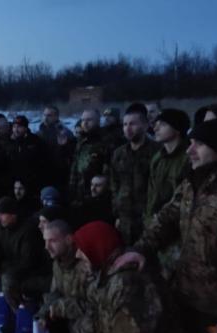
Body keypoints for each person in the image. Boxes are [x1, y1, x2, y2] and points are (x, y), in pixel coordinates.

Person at [116, 118, 217, 333]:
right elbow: (167, 217)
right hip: (185, 297)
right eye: (191, 142)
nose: (189, 149)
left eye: (199, 144)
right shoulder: (195, 181)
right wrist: (141, 249)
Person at [73, 221, 173, 333]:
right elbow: (93, 310)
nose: (77, 254)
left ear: (97, 247)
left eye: (81, 248)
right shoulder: (105, 275)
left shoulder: (126, 287)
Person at [0, 197, 52, 333]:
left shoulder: (28, 231)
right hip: (14, 269)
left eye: (2, 214)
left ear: (13, 214)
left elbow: (28, 262)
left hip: (33, 273)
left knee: (8, 281)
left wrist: (0, 275)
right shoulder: (3, 229)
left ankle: (19, 318)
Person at [37, 220, 89, 333]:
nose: (47, 246)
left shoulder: (86, 263)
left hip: (89, 322)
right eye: (45, 241)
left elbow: (94, 307)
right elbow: (55, 292)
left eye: (52, 241)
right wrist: (43, 314)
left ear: (68, 240)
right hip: (70, 317)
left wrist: (60, 307)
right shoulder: (58, 262)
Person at [110, 103, 160, 244]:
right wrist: (117, 214)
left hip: (148, 219)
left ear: (145, 125)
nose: (128, 128)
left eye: (133, 124)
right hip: (125, 220)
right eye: (125, 124)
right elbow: (114, 185)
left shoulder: (157, 152)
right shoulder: (118, 154)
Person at [145, 109, 191, 221]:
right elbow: (151, 194)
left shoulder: (189, 158)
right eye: (156, 124)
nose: (155, 128)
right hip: (155, 223)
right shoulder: (158, 158)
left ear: (177, 129)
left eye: (163, 125)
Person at [69, 109, 109, 204]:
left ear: (98, 121)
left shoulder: (106, 141)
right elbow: (75, 166)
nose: (85, 123)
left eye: (89, 120)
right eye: (83, 120)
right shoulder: (81, 141)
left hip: (96, 194)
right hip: (78, 194)